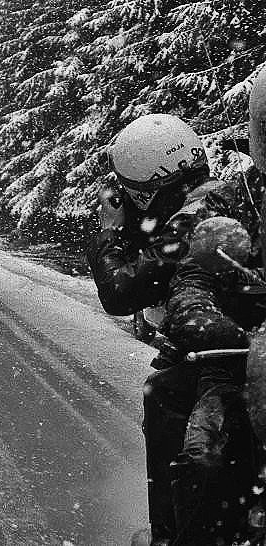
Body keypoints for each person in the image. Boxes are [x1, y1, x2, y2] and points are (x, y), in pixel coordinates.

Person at [86, 113, 263, 545]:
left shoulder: (193, 218)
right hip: (244, 343)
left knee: (164, 394)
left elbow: (121, 291)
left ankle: (170, 533)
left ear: (147, 188)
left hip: (232, 353)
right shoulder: (223, 197)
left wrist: (108, 233)